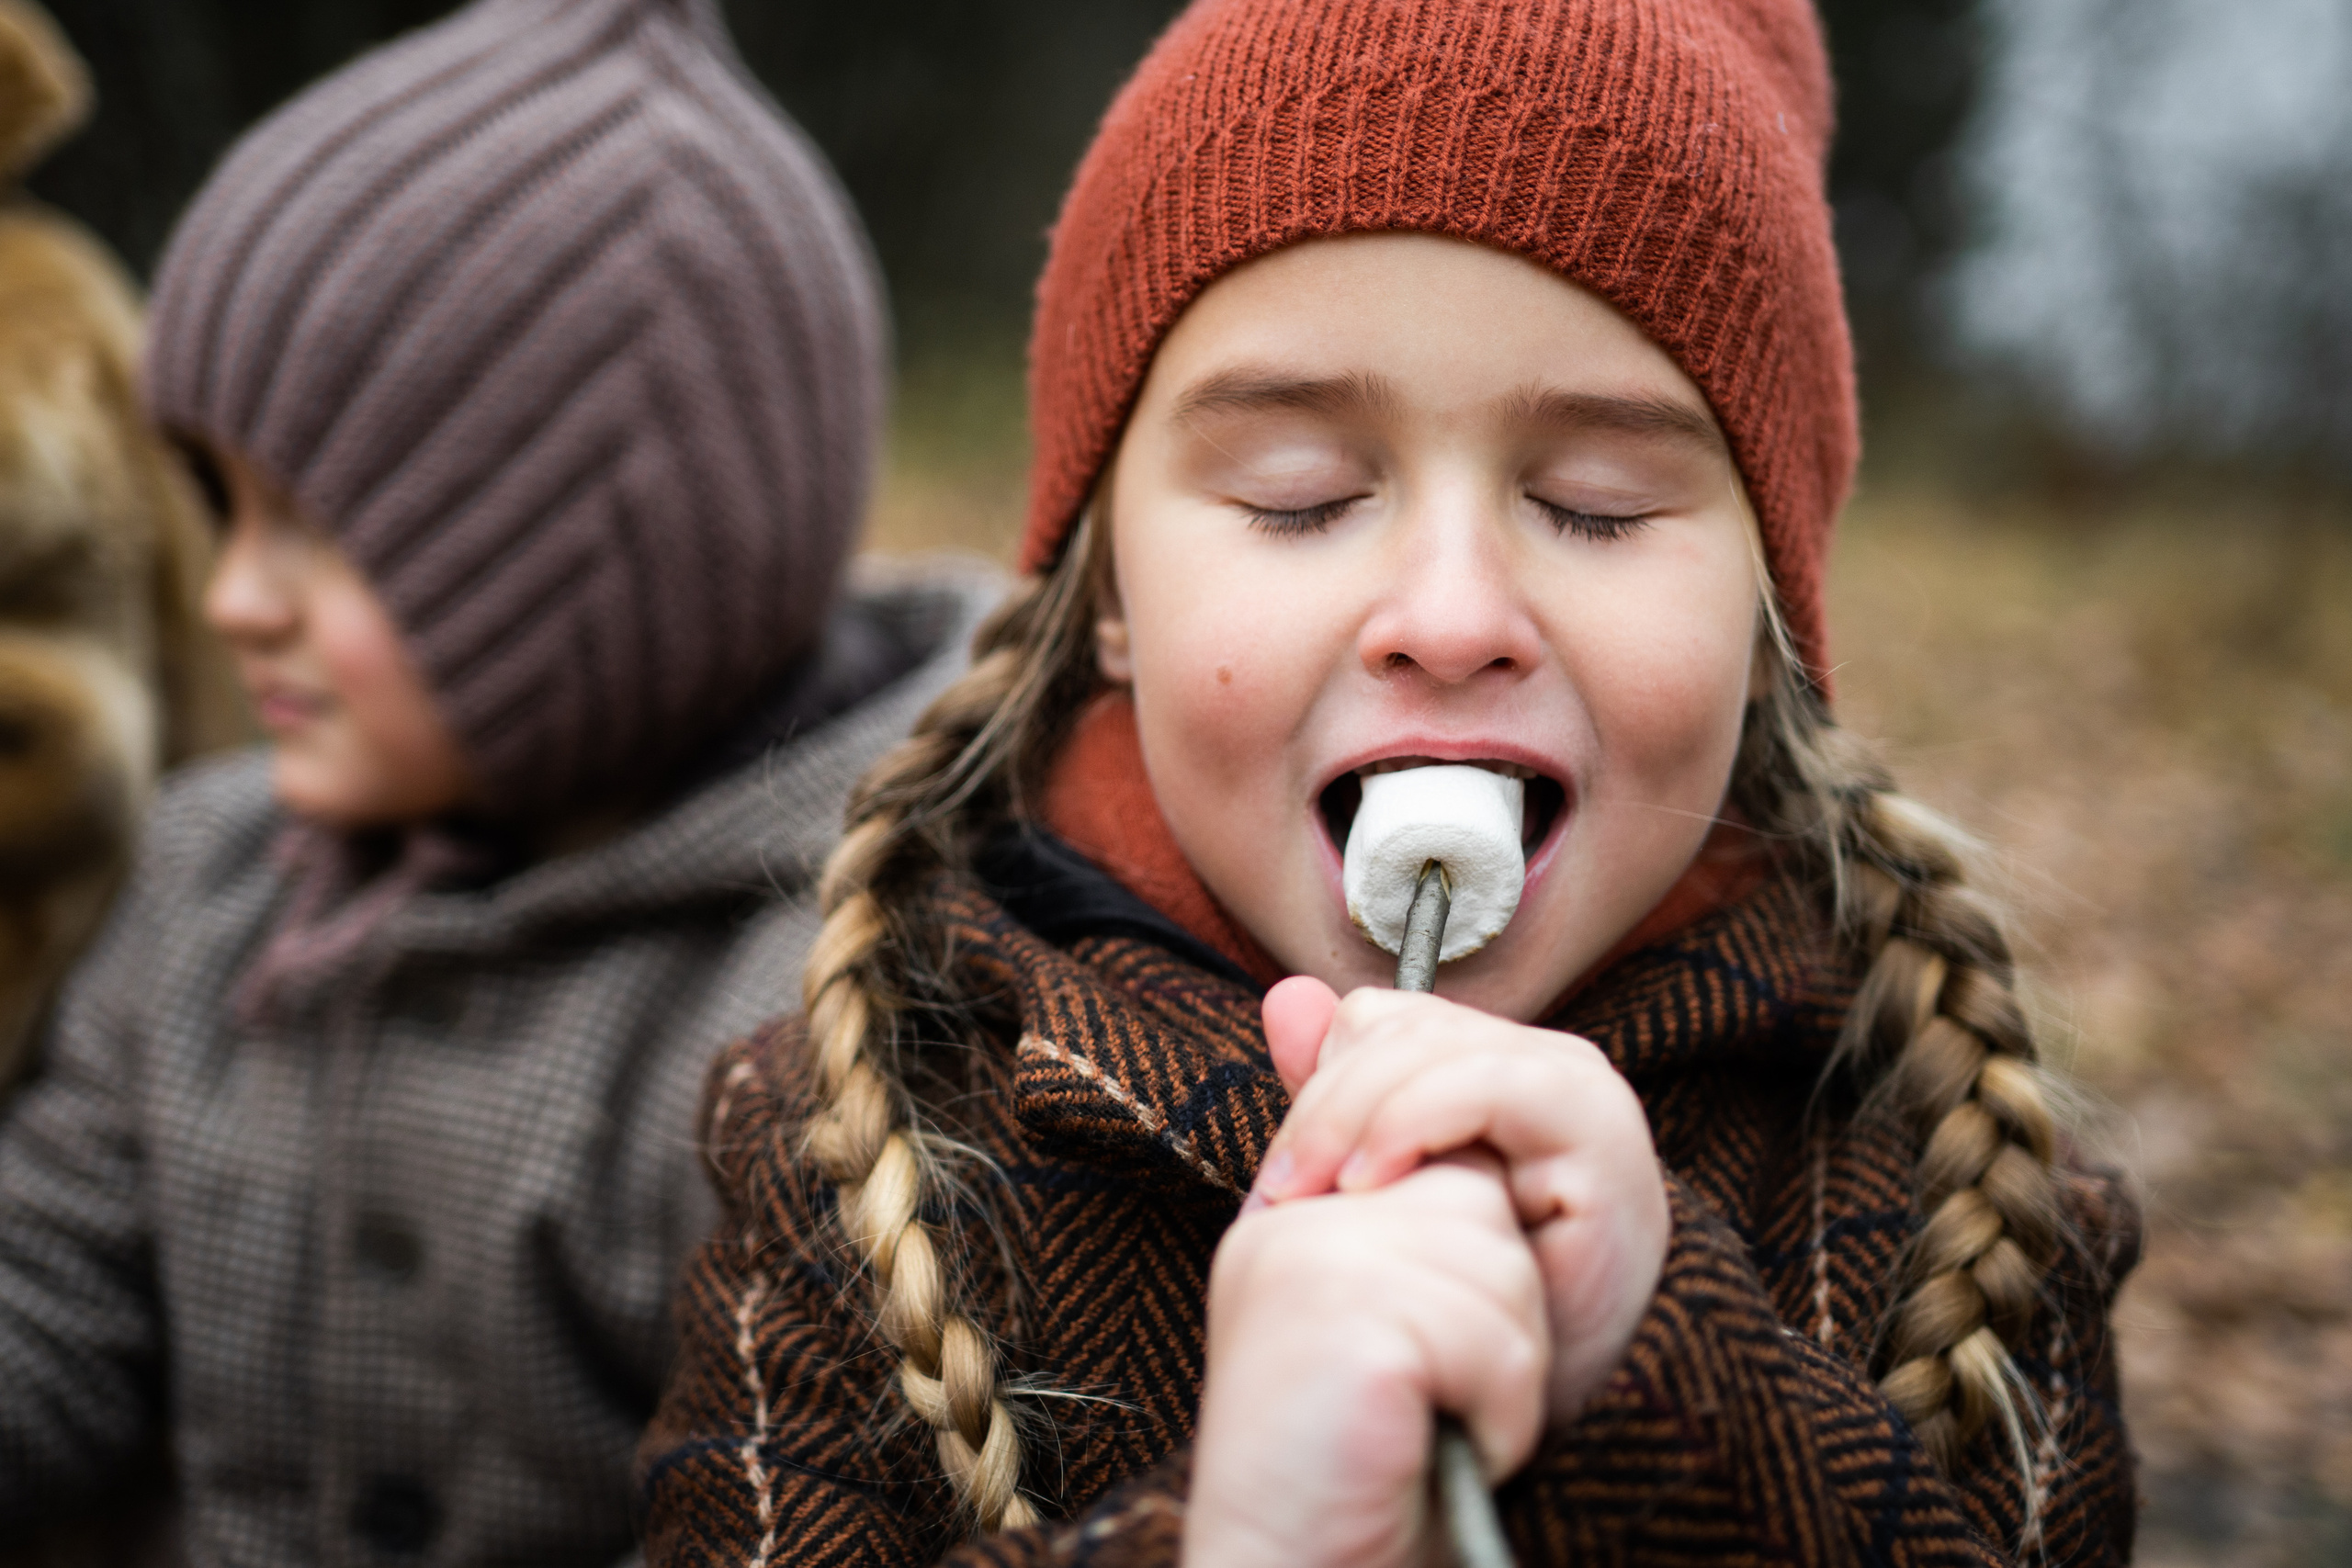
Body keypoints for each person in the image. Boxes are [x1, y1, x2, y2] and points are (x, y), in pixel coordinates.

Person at [640, 0, 2140, 1563]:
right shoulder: (851, 1139)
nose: (1449, 619)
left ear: (1766, 630)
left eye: (1599, 503)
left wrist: (1662, 1371)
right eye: (1302, 497)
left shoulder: (1963, 1193)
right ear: (1109, 598)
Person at [0, 0, 997, 1562]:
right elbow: (47, 1306)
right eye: (217, 502)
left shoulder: (827, 994)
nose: (230, 597)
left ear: (613, 573)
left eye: (312, 527)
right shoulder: (209, 889)